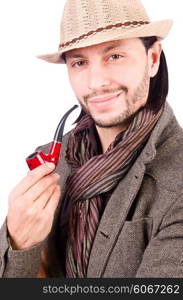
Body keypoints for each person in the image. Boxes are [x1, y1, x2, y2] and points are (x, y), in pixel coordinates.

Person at [0, 0, 183, 278]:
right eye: (79, 62)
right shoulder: (51, 162)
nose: (96, 82)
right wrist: (20, 243)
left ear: (153, 59)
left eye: (115, 56)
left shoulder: (177, 183)